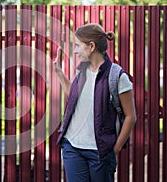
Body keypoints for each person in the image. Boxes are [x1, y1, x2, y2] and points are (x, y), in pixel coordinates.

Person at [54, 23, 137, 182]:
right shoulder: (82, 71)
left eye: (78, 46)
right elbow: (74, 98)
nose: (76, 51)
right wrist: (59, 73)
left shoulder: (117, 76)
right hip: (72, 147)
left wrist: (115, 149)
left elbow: (130, 116)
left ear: (91, 46)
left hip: (99, 152)